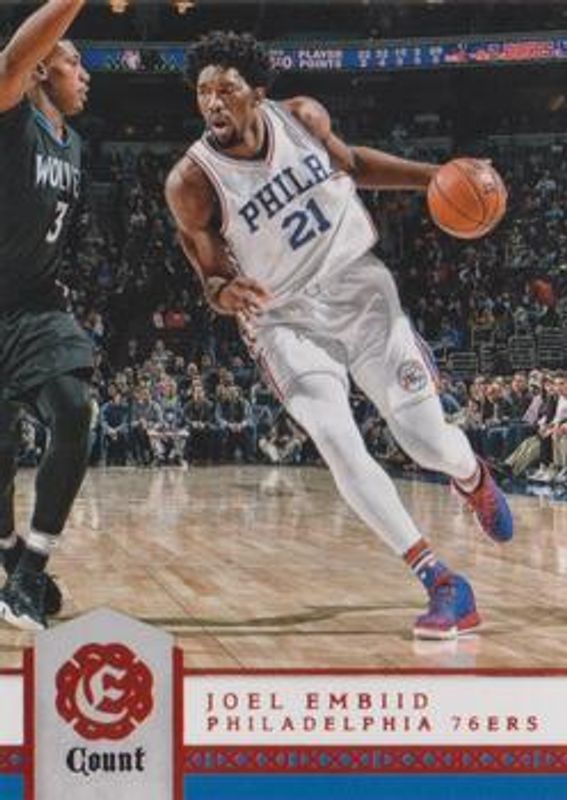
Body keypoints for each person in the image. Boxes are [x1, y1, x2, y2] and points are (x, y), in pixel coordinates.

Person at [165, 31, 514, 640]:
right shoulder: (191, 182)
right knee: (336, 440)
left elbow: (353, 163)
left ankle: (471, 476)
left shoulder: (302, 117)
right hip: (284, 319)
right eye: (203, 92)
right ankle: (441, 582)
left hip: (360, 290)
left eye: (226, 89)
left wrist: (437, 177)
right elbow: (211, 274)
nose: (213, 102)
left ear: (257, 93)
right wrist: (225, 293)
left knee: (425, 441)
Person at [0, 0, 92, 630]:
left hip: (35, 306)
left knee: (74, 410)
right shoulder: (12, 118)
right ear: (40, 70)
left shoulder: (75, 145)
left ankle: (29, 571)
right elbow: (11, 59)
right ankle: (10, 556)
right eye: (72, 62)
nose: (86, 75)